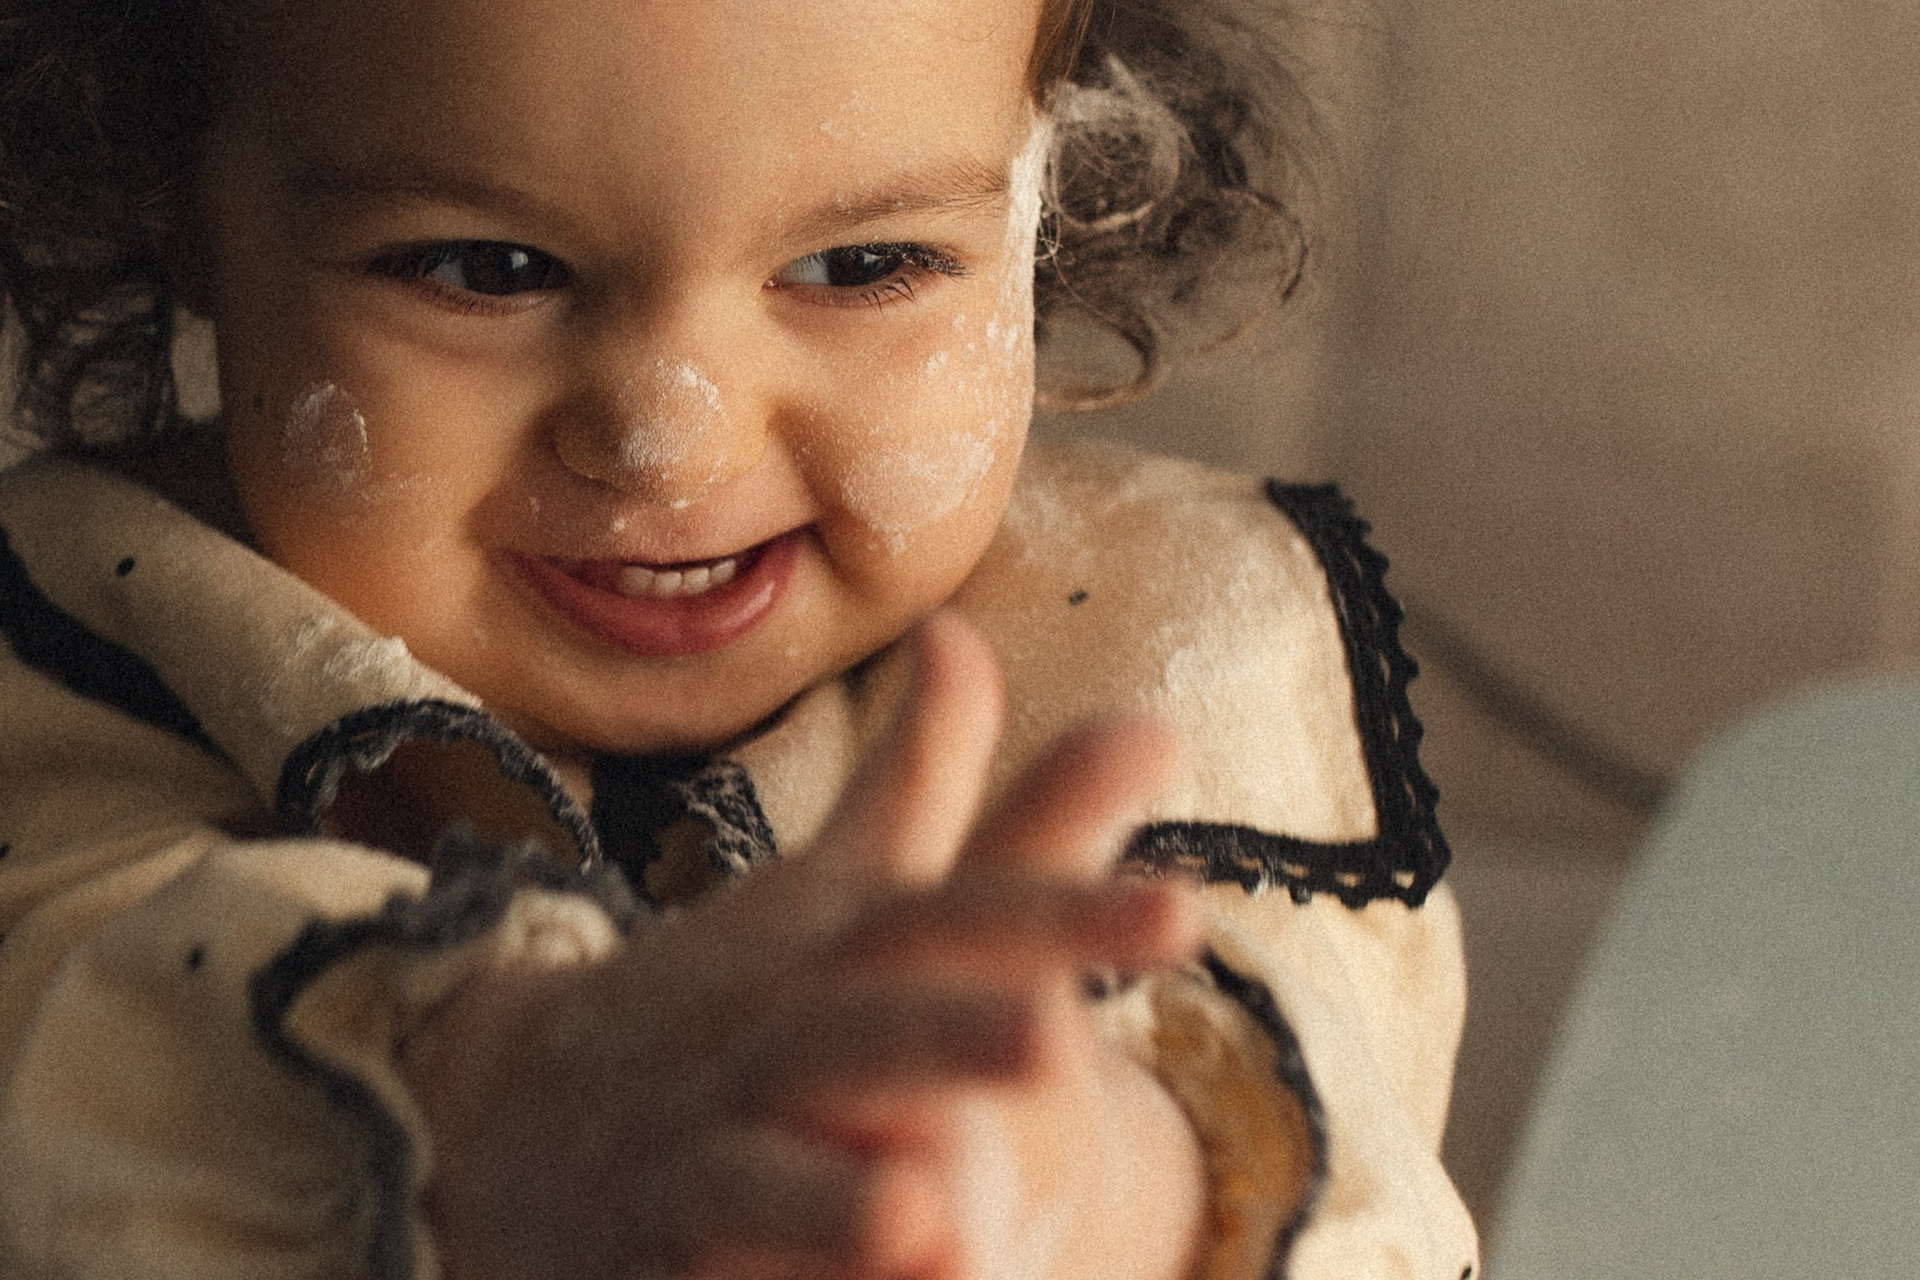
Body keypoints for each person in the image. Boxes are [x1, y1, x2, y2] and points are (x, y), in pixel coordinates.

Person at [0, 0, 1478, 1276]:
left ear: (1053, 188)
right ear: (178, 201)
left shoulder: (1161, 647)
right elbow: (64, 1013)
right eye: (489, 268)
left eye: (860, 266)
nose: (668, 440)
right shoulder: (87, 632)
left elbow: (1355, 1141)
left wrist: (1085, 1180)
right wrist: (498, 1102)